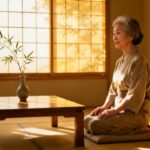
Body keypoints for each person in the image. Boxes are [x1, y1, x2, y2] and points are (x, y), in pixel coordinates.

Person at [84, 16, 150, 135]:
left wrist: (114, 110)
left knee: (94, 125)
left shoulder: (139, 60)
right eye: (114, 33)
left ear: (130, 36)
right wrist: (104, 107)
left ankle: (139, 127)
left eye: (118, 33)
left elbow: (135, 95)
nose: (114, 37)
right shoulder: (119, 61)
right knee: (86, 120)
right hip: (119, 111)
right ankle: (129, 128)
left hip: (135, 113)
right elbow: (113, 91)